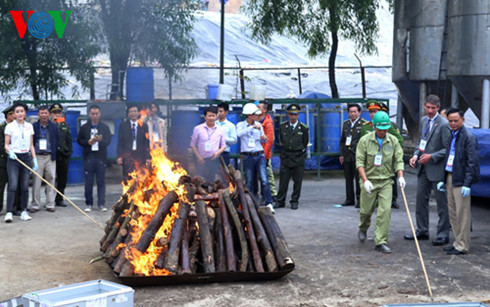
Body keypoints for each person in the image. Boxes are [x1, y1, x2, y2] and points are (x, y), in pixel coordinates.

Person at [404, 94, 451, 246]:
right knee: (420, 199)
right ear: (424, 106)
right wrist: (415, 155)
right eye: (427, 107)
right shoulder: (424, 121)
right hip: (423, 168)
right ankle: (422, 230)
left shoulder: (444, 124)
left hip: (436, 169)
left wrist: (432, 156)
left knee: (442, 203)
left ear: (438, 108)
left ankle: (443, 233)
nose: (430, 111)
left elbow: (448, 149)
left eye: (433, 108)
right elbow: (421, 142)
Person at [356, 111, 405, 254]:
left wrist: (400, 176)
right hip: (369, 180)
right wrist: (365, 180)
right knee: (366, 211)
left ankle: (380, 241)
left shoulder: (393, 141)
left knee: (385, 210)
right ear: (374, 127)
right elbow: (359, 162)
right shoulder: (365, 140)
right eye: (380, 129)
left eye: (385, 129)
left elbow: (399, 160)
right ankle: (363, 227)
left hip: (386, 181)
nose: (383, 131)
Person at [437, 108, 480, 255]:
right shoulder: (452, 135)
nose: (453, 123)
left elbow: (472, 162)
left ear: (463, 120)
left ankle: (463, 245)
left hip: (461, 179)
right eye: (450, 121)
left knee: (463, 214)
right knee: (453, 212)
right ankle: (457, 241)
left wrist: (467, 184)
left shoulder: (468, 136)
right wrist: (444, 179)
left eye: (456, 121)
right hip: (451, 175)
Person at [361, 100, 403, 209]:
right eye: (370, 112)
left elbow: (398, 140)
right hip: (371, 159)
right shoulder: (365, 126)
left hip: (386, 158)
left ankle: (392, 199)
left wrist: (390, 151)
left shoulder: (387, 125)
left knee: (389, 179)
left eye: (375, 111)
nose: (372, 114)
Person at [236, 103, 274, 211]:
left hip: (259, 154)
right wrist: (251, 127)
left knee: (264, 179)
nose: (258, 116)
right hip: (248, 156)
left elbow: (263, 140)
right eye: (255, 114)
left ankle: (269, 202)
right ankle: (251, 204)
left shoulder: (259, 125)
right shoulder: (241, 125)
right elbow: (239, 134)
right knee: (249, 181)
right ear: (249, 115)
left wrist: (263, 138)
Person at [4, 102, 37, 223]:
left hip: (26, 157)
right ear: (13, 114)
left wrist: (34, 159)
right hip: (14, 158)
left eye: (21, 111)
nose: (19, 114)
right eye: (17, 112)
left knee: (24, 186)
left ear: (25, 113)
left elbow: (31, 145)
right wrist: (10, 152)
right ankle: (9, 212)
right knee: (12, 185)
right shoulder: (10, 126)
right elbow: (6, 145)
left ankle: (24, 210)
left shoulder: (29, 126)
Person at [274, 103, 309, 210]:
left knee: (297, 181)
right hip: (286, 156)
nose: (293, 116)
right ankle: (280, 201)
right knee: (283, 180)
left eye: (295, 114)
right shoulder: (283, 126)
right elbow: (281, 140)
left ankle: (294, 200)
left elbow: (305, 142)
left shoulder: (303, 128)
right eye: (291, 114)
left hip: (298, 156)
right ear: (288, 115)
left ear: (298, 115)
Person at [77, 105, 112, 212]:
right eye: (93, 114)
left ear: (100, 114)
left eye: (97, 113)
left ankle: (101, 204)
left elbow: (108, 141)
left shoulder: (104, 127)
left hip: (100, 157)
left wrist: (100, 141)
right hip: (89, 157)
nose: (95, 115)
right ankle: (89, 203)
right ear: (89, 114)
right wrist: (87, 142)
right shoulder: (85, 127)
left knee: (101, 182)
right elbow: (79, 140)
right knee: (88, 182)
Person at [30, 105, 59, 213]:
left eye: (46, 113)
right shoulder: (33, 126)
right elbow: (31, 141)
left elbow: (57, 140)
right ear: (38, 114)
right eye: (41, 113)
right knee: (36, 180)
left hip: (50, 156)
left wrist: (54, 153)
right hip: (37, 156)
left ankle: (50, 204)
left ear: (49, 114)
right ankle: (35, 204)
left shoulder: (54, 126)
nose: (44, 115)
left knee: (51, 179)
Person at [339, 103, 367, 207]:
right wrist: (342, 154)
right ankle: (349, 199)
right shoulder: (346, 124)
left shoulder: (364, 124)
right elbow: (342, 140)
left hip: (357, 155)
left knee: (359, 179)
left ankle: (360, 200)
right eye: (351, 112)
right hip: (347, 155)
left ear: (359, 112)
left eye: (355, 111)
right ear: (348, 113)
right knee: (348, 178)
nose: (353, 113)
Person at [190, 106, 226, 182]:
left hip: (214, 160)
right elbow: (193, 145)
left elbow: (223, 146)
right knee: (200, 181)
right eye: (209, 116)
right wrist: (199, 157)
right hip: (201, 160)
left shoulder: (220, 130)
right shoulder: (198, 129)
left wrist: (217, 153)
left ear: (216, 117)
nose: (211, 118)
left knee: (213, 182)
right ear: (205, 117)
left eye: (213, 116)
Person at [117, 105, 150, 183]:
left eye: (135, 111)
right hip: (127, 155)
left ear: (138, 113)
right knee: (127, 178)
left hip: (140, 156)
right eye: (131, 111)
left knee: (140, 178)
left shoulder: (144, 126)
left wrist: (148, 157)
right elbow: (120, 142)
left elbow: (146, 143)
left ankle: (139, 195)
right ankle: (127, 194)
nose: (133, 113)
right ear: (128, 114)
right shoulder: (123, 125)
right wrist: (119, 156)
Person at [50, 103, 72, 208]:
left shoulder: (65, 125)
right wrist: (53, 125)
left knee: (62, 178)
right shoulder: (48, 125)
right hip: (52, 155)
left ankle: (59, 198)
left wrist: (69, 152)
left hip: (63, 154)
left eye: (59, 112)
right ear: (50, 114)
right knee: (51, 178)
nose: (57, 115)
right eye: (54, 112)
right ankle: (49, 200)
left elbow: (69, 140)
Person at [0, 106, 21, 215]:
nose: (16, 115)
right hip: (3, 161)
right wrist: (8, 152)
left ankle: (13, 207)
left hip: (15, 161)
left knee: (14, 185)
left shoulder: (17, 127)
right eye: (14, 114)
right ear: (9, 115)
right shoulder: (2, 128)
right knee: (1, 185)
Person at [257, 101, 277, 200]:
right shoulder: (255, 121)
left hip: (264, 154)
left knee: (267, 175)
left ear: (264, 110)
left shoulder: (267, 123)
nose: (257, 108)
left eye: (259, 107)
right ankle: (262, 194)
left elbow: (269, 141)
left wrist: (264, 156)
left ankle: (273, 194)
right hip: (255, 152)